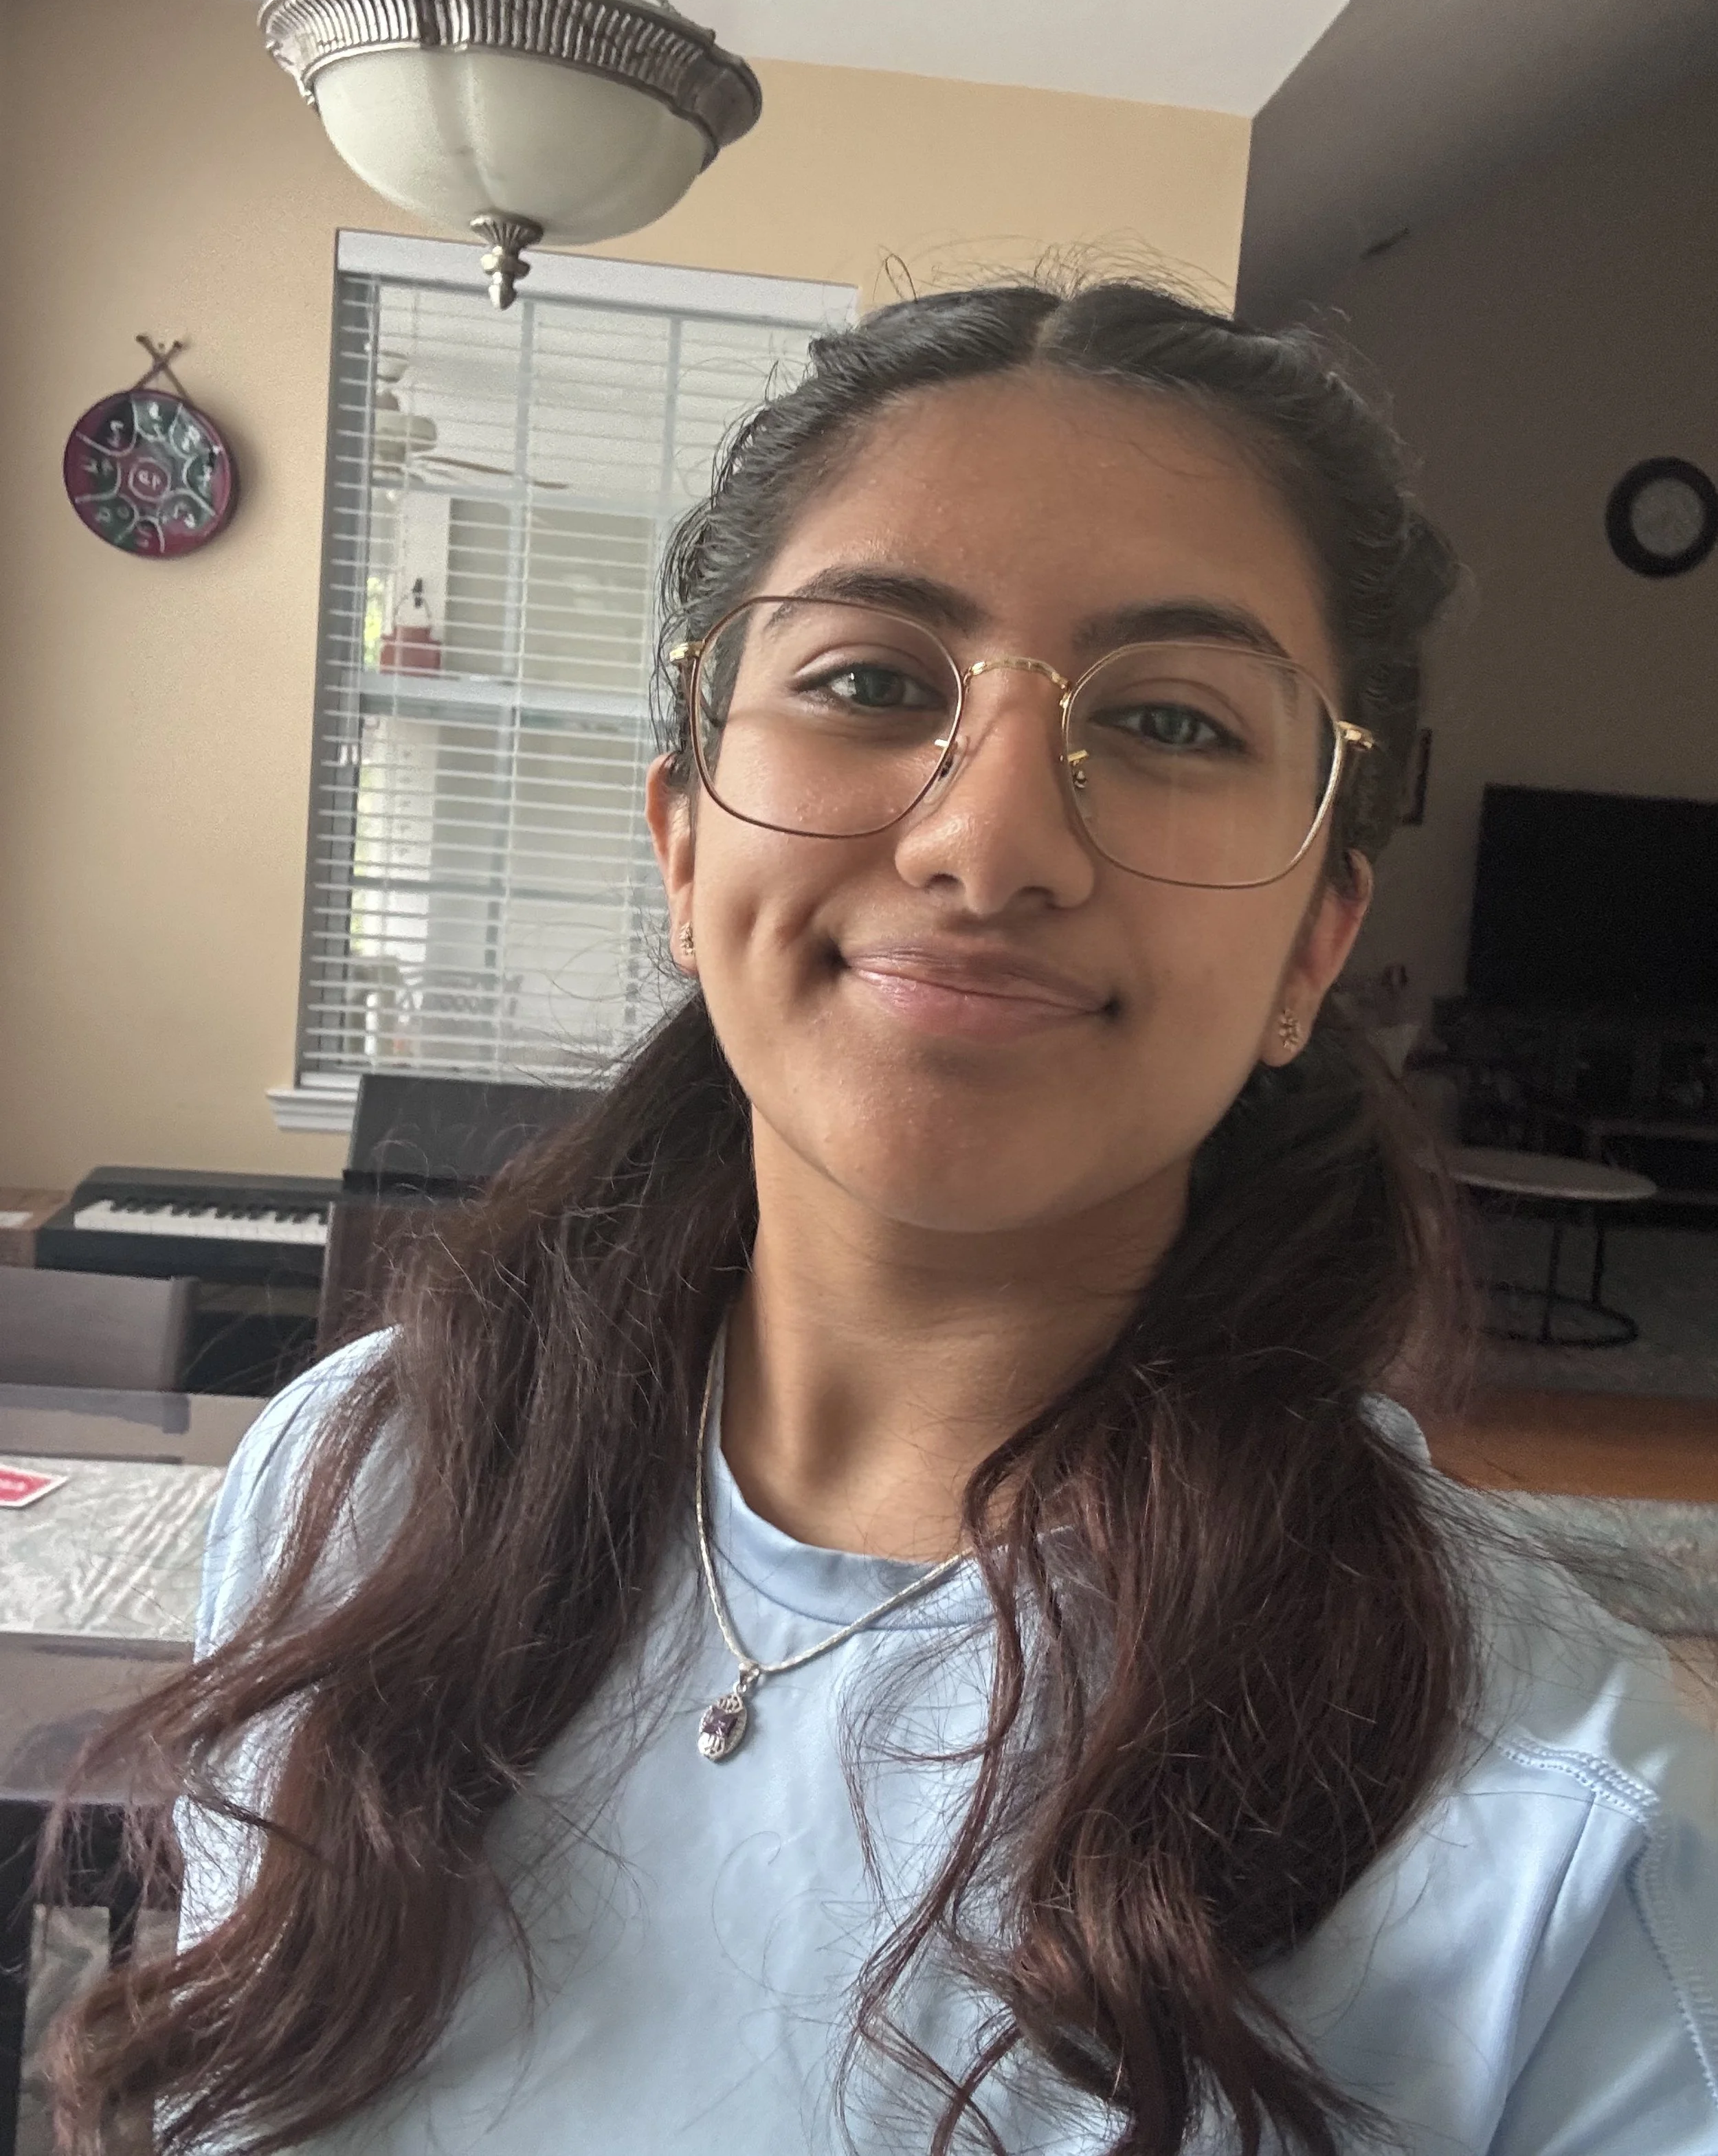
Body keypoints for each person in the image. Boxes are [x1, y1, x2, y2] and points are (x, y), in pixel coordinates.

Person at [49, 281, 1718, 2156]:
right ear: (686, 837)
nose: (988, 841)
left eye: (1169, 718)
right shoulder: (351, 1478)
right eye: (869, 682)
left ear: (1314, 942)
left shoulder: (1569, 1835)